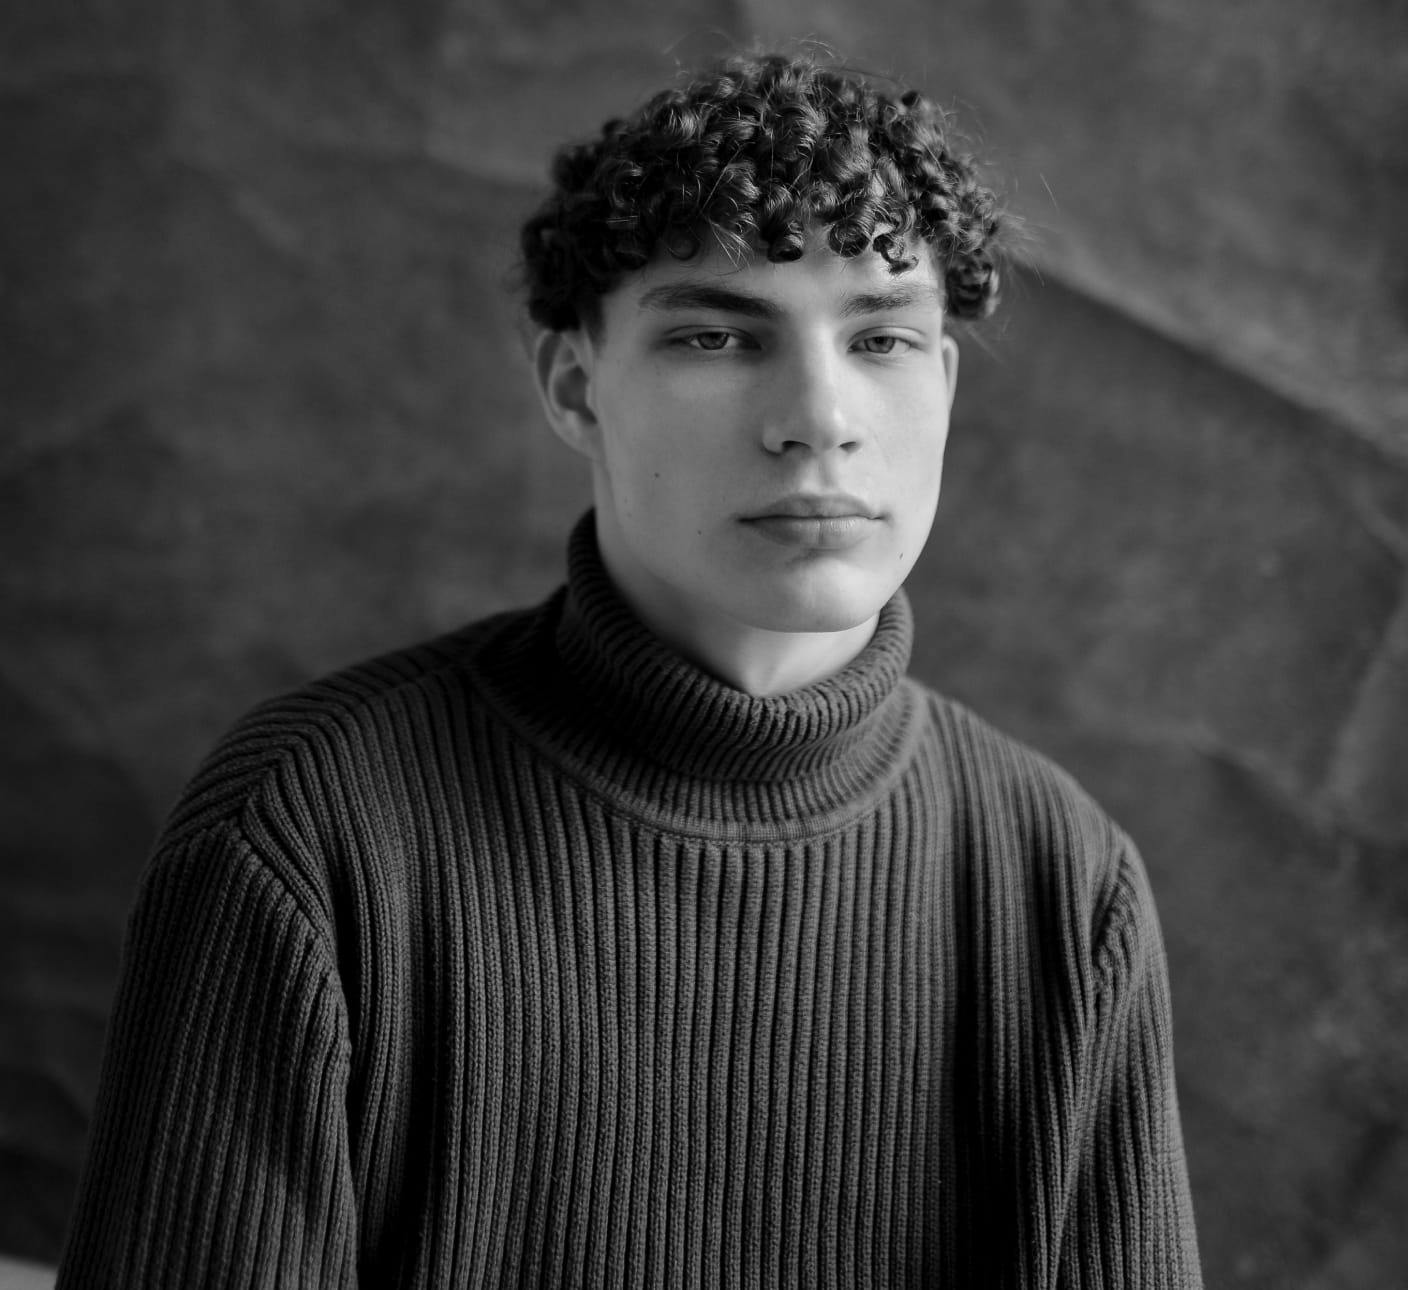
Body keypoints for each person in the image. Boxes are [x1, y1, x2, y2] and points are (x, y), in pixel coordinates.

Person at [59, 50, 1202, 1288]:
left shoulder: (1060, 883)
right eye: (717, 334)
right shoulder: (307, 835)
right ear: (572, 385)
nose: (818, 417)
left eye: (880, 337)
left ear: (942, 380)